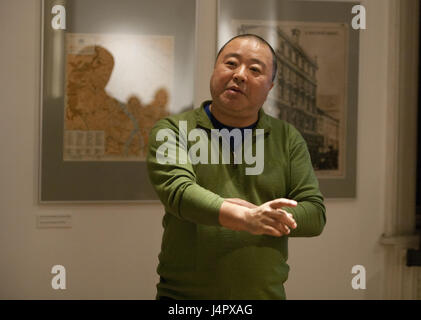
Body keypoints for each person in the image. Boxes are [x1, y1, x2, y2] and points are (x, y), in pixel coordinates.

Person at [147, 34, 326, 300]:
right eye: (230, 64)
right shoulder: (173, 130)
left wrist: (263, 218)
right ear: (214, 70)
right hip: (184, 299)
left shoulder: (287, 138)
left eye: (255, 69)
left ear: (270, 86)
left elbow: (314, 214)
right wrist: (248, 219)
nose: (239, 74)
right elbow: (179, 192)